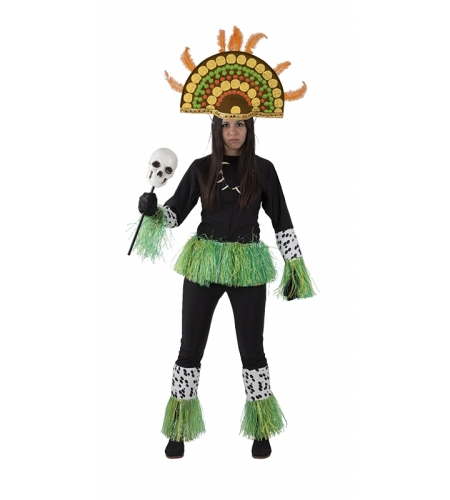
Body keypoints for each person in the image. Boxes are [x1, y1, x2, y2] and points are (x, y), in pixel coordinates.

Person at [133, 26, 314, 459]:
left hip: (248, 266)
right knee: (189, 347)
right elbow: (174, 214)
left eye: (240, 124)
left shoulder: (264, 170)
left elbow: (282, 220)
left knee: (253, 349)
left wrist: (295, 269)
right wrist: (151, 210)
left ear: (250, 126)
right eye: (226, 124)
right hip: (203, 264)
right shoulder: (200, 168)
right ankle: (178, 429)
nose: (233, 131)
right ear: (216, 126)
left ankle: (261, 428)